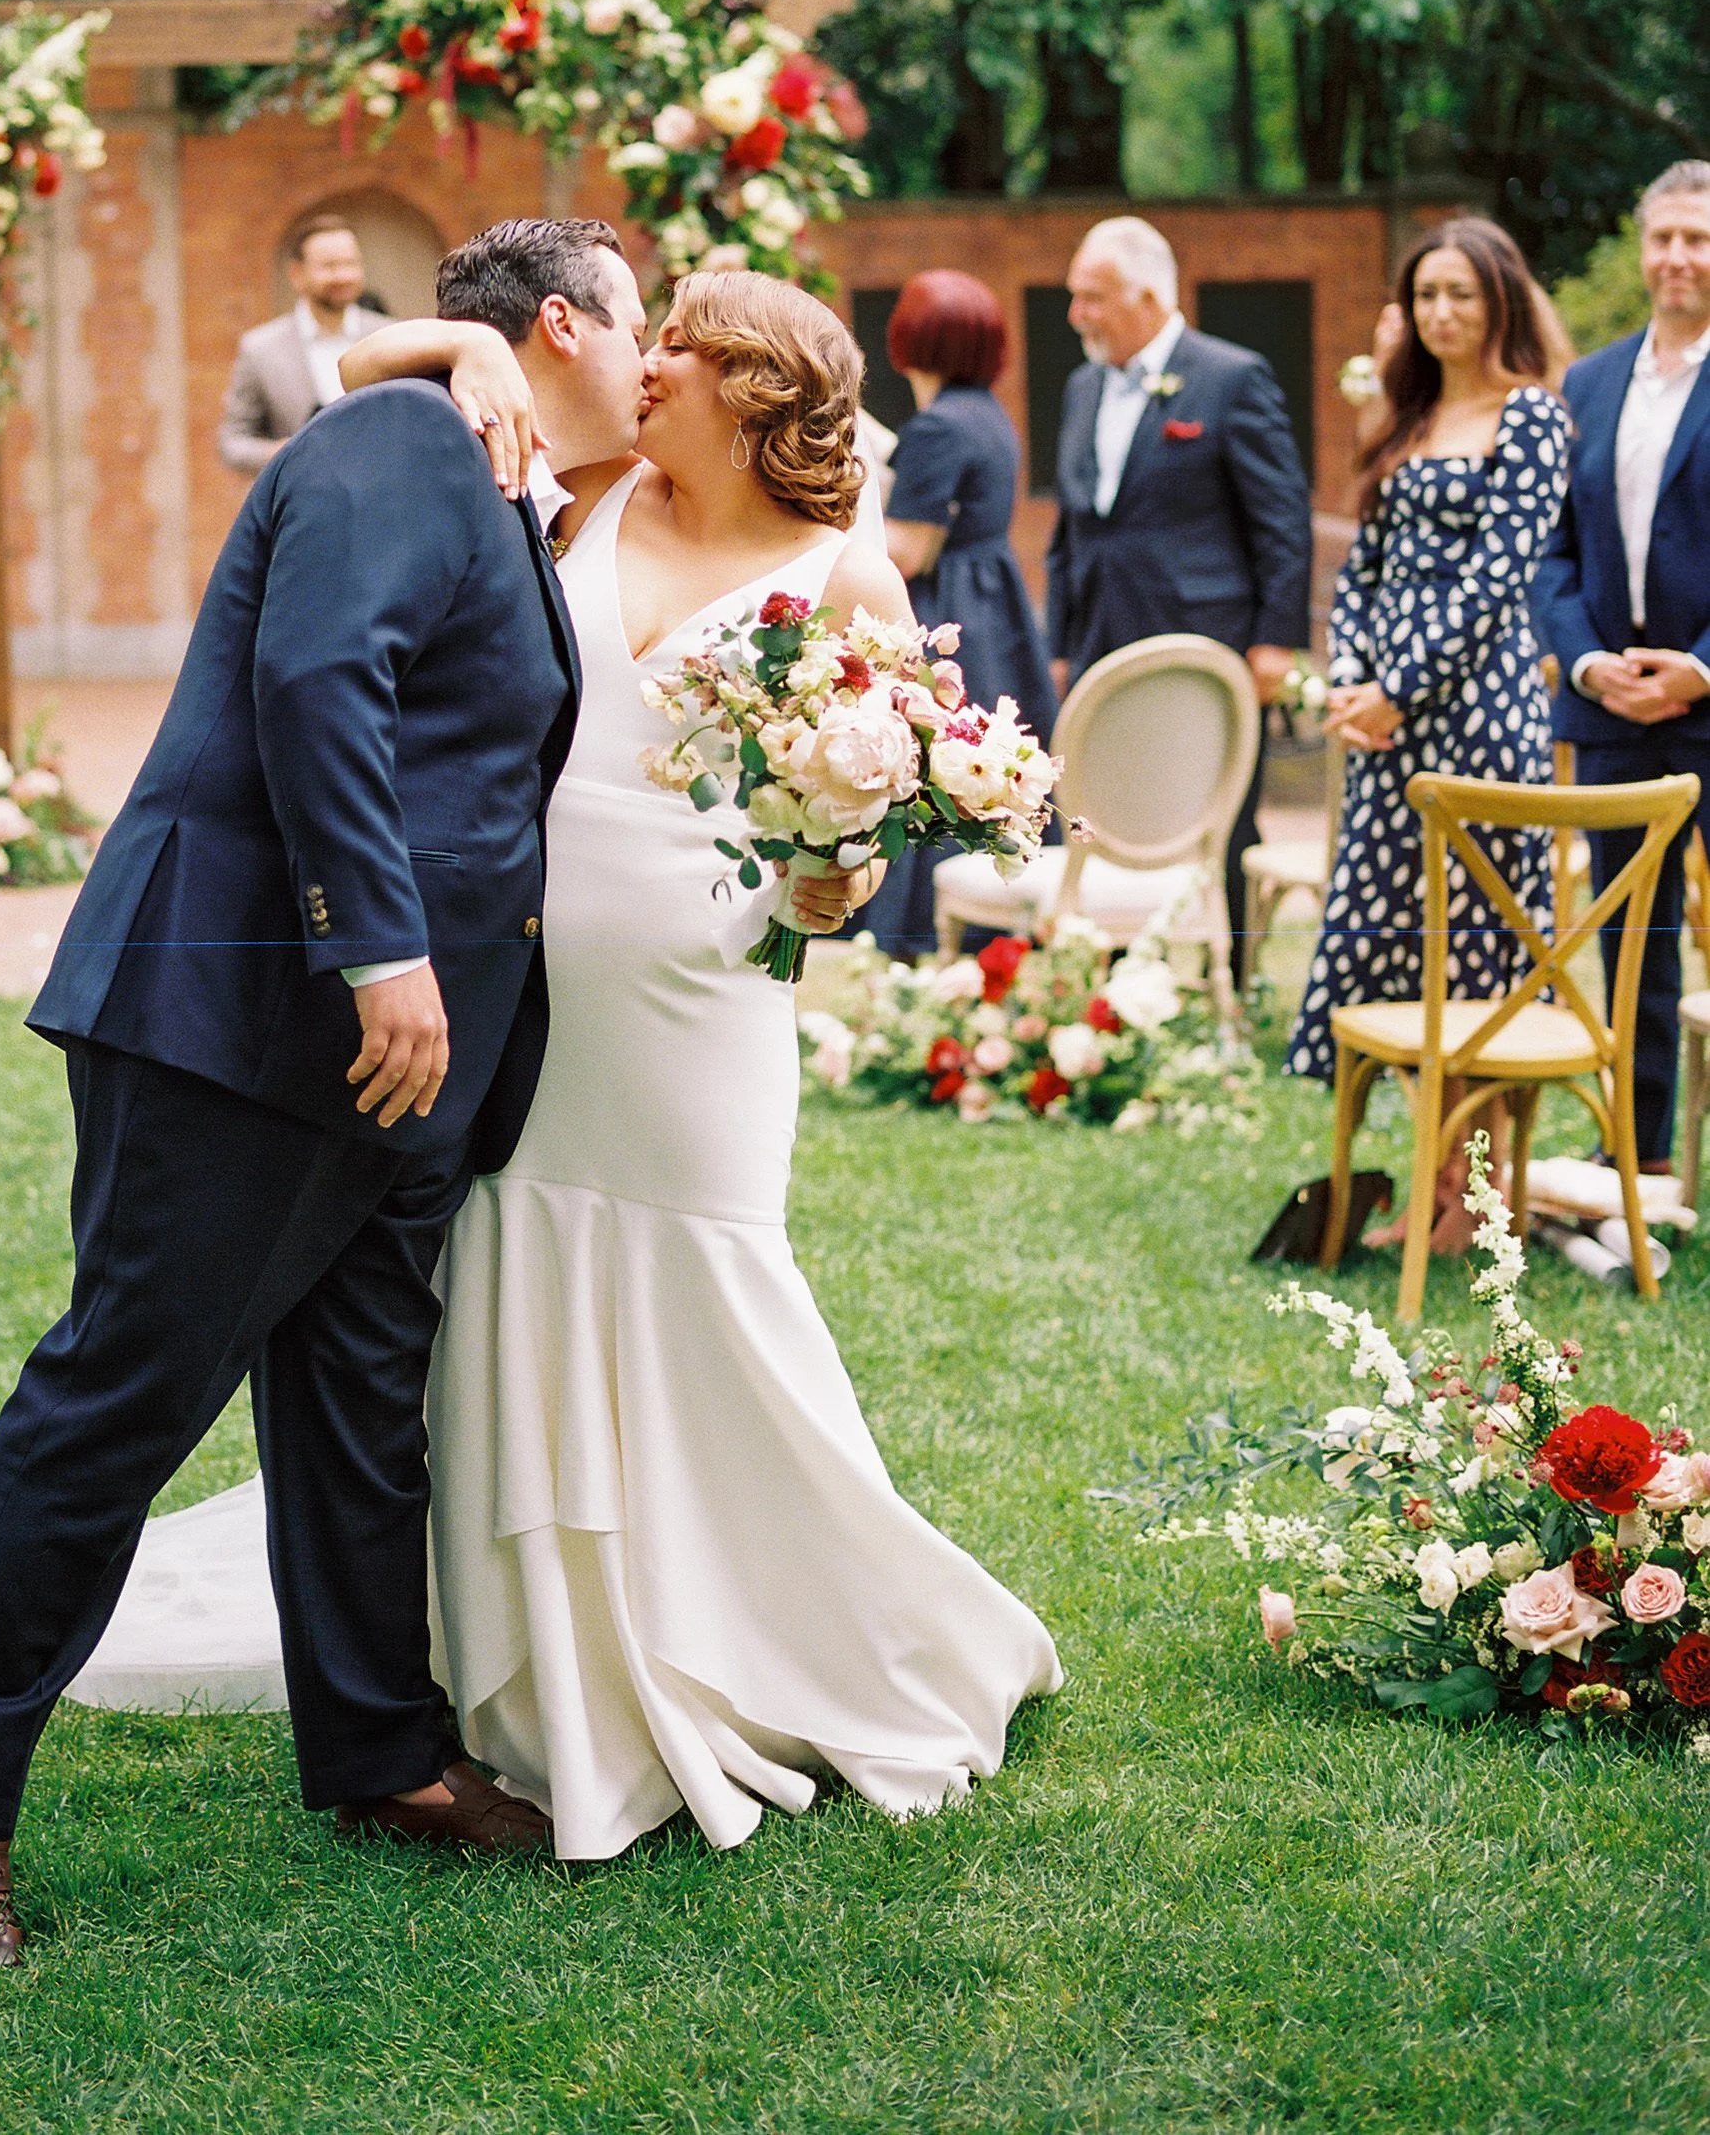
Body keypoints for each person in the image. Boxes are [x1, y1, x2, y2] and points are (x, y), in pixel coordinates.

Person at [80, 266, 1062, 1868]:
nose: (649, 360)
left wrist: (833, 884)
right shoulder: (574, 494)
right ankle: (531, 1664)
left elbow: (859, 849)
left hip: (700, 1007)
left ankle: (797, 1627)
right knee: (516, 1298)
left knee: (711, 1301)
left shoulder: (846, 573)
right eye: (648, 328)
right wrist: (467, 333)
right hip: (526, 999)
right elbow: (353, 363)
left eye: (686, 342)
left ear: (758, 388)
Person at [0, 221, 647, 1961]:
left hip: (405, 1071)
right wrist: (374, 945)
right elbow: (322, 676)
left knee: (356, 1400)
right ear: (555, 324)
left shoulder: (471, 447)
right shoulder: (395, 438)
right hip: (243, 1015)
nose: (652, 360)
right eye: (635, 326)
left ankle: (380, 1751)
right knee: (119, 1400)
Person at [1287, 219, 1570, 1250]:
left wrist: (1401, 687)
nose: (1442, 312)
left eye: (1461, 292)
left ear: (1498, 297)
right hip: (1383, 726)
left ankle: (1471, 1195)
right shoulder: (1402, 419)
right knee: (1399, 953)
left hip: (1477, 713)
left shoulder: (1530, 417)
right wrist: (1355, 678)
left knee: (1476, 955)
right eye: (1425, 295)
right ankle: (1431, 1181)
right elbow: (1360, 568)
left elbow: (1498, 577)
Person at [1045, 216, 1313, 970]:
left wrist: (1274, 639)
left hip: (1204, 635)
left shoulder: (1231, 376)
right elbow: (1071, 525)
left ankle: (1234, 973)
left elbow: (1280, 518)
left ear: (1149, 294)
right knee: (1100, 805)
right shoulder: (1079, 386)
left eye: (1092, 297)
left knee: (1215, 810)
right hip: (1099, 634)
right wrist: (1061, 642)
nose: (1077, 315)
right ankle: (1110, 973)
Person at [1534, 159, 1710, 1175]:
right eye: (1663, 237)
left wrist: (1696, 669)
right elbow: (1552, 551)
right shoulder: (1586, 383)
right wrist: (1588, 661)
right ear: (1640, 247)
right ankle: (1638, 1160)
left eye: (1697, 237)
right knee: (1630, 946)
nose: (1677, 256)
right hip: (1609, 711)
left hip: (1705, 701)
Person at [864, 271, 1055, 956]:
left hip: (947, 605)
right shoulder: (988, 416)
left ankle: (917, 928)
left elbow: (908, 550)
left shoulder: (938, 426)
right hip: (995, 601)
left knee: (932, 767)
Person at [217, 218, 387, 472]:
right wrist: (281, 452)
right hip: (300, 502)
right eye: (329, 266)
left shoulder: (389, 335)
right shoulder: (260, 348)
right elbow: (232, 443)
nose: (343, 275)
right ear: (297, 274)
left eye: (350, 264)